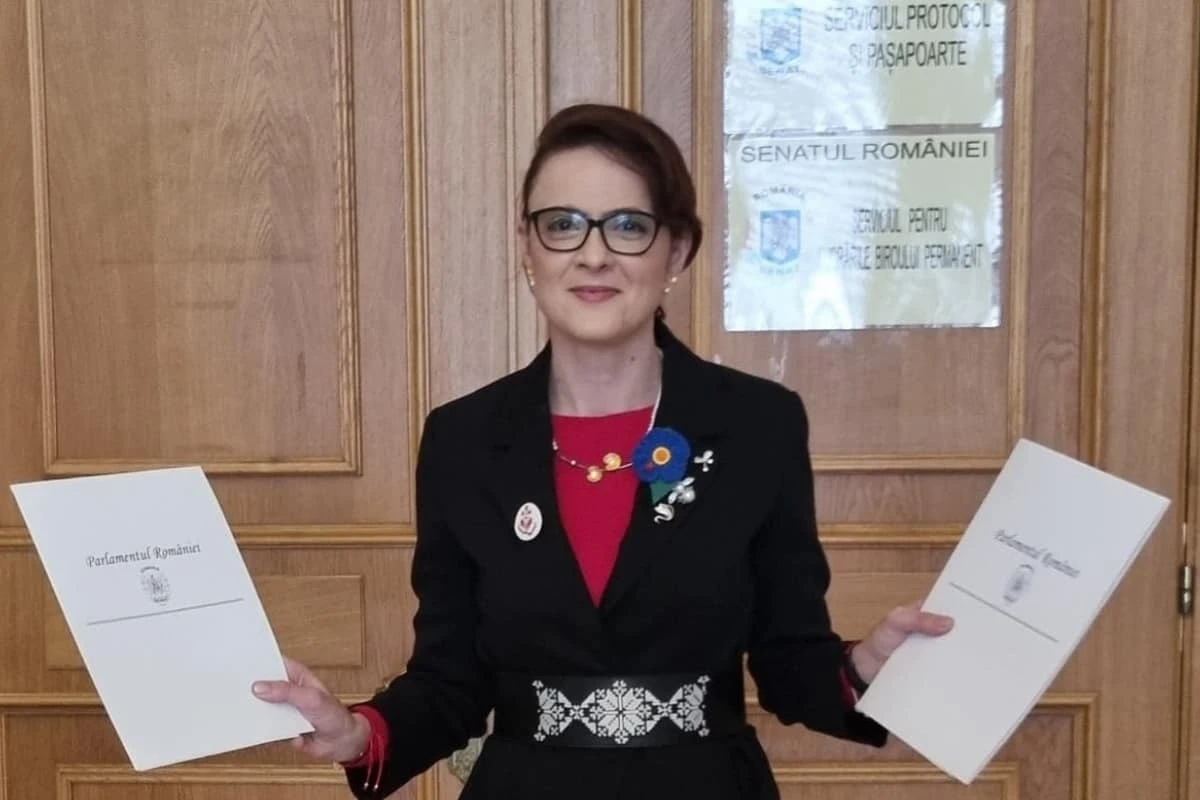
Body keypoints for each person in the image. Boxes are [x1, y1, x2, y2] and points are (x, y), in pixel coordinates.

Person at [250, 103, 954, 799]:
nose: (593, 254)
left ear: (677, 250)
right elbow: (450, 678)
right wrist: (359, 734)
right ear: (527, 247)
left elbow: (788, 660)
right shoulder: (463, 439)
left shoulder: (756, 425)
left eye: (628, 226)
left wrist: (864, 667)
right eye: (562, 225)